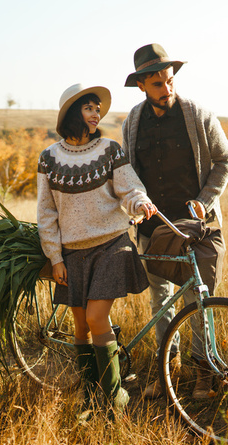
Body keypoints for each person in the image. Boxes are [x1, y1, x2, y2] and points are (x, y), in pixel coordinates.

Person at [122, 44, 228, 400]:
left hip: (195, 227)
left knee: (198, 299)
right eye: (157, 83)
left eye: (169, 80)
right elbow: (127, 173)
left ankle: (204, 373)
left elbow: (225, 159)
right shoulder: (132, 123)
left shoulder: (198, 115)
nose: (166, 89)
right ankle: (168, 370)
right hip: (152, 229)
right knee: (160, 300)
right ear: (142, 84)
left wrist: (204, 202)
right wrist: (136, 205)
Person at [37, 83, 157, 417]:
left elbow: (129, 188)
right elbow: (46, 212)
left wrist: (140, 202)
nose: (96, 114)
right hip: (72, 253)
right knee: (80, 328)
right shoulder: (48, 159)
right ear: (74, 113)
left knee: (95, 317)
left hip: (111, 244)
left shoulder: (109, 149)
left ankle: (116, 399)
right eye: (89, 108)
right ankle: (91, 397)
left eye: (97, 108)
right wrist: (55, 258)